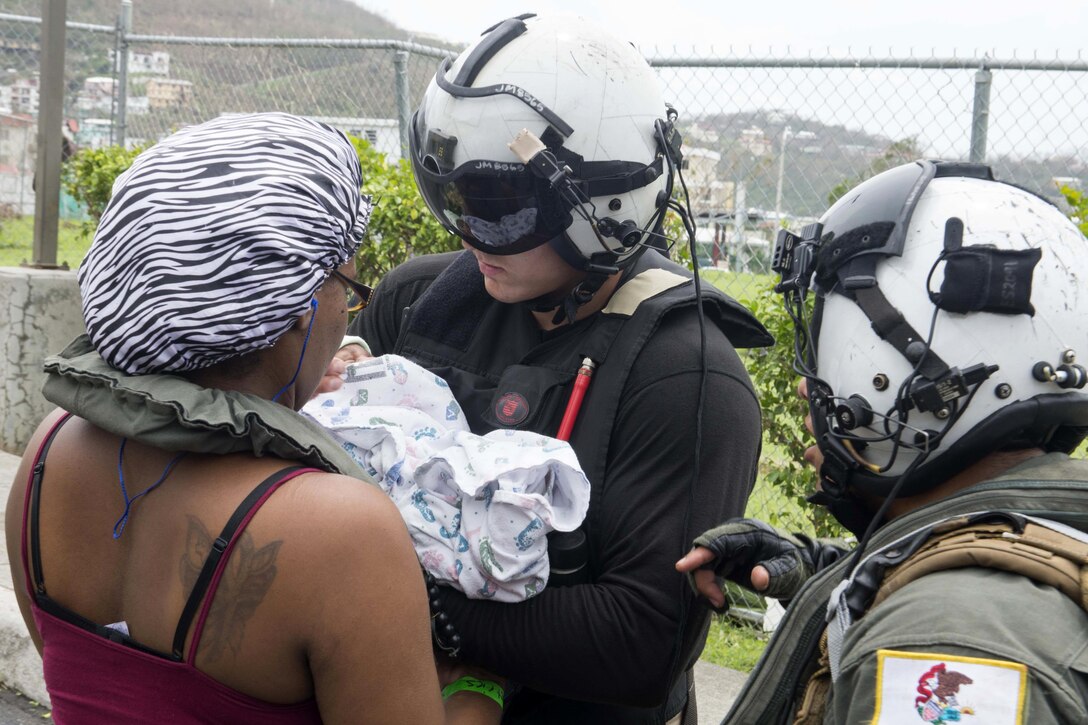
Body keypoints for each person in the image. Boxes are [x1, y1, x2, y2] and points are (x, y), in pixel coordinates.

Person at [327, 13, 773, 724]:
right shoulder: (419, 301)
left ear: (605, 205)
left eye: (497, 207)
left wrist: (390, 599)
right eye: (451, 198)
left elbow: (639, 639)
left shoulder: (687, 375)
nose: (470, 232)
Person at [4, 112, 502, 724]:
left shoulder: (49, 451)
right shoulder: (342, 532)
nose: (346, 309)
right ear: (294, 306)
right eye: (344, 282)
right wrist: (480, 687)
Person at [677, 159, 1088, 723]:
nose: (806, 388)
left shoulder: (948, 647)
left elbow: (964, 618)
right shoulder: (1037, 538)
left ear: (919, 384)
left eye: (826, 356)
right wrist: (825, 568)